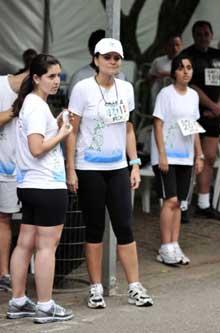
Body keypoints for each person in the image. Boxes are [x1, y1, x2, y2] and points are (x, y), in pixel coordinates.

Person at [66, 38, 153, 308]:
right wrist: (70, 168)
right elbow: (73, 129)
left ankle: (135, 286)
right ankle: (95, 288)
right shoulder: (83, 88)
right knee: (94, 228)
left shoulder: (126, 88)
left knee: (124, 226)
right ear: (96, 59)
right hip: (89, 168)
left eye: (117, 57)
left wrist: (135, 163)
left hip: (118, 168)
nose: (113, 61)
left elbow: (127, 128)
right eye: (107, 57)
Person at [7, 54, 73, 323]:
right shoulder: (35, 106)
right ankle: (45, 305)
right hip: (46, 185)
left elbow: (37, 141)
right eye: (50, 76)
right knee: (47, 247)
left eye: (58, 75)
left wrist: (55, 126)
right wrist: (63, 133)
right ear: (36, 78)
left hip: (30, 184)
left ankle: (18, 300)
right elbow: (36, 148)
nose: (56, 81)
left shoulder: (32, 104)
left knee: (25, 244)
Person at [151, 55, 204, 265]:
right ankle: (164, 246)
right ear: (174, 72)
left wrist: (198, 155)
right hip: (167, 156)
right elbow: (158, 124)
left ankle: (174, 244)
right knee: (170, 200)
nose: (186, 71)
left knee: (180, 203)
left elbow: (194, 128)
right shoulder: (166, 94)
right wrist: (162, 154)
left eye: (189, 67)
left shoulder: (193, 96)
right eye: (181, 68)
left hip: (186, 156)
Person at [179, 20, 220, 220]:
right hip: (193, 113)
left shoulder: (218, 56)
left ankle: (203, 203)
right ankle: (182, 205)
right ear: (194, 35)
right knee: (189, 158)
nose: (203, 36)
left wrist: (219, 105)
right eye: (199, 33)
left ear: (211, 34)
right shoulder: (187, 56)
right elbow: (190, 85)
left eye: (206, 33)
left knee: (208, 158)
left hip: (213, 115)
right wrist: (212, 105)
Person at [0, 57, 34, 291]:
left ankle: (8, 273)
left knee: (9, 219)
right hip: (3, 164)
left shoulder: (35, 97)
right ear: (33, 74)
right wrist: (14, 111)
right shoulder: (1, 85)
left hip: (18, 167)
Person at [67, 29, 125, 99]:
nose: (112, 61)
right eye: (106, 57)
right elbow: (72, 107)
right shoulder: (79, 77)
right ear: (91, 50)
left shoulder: (122, 78)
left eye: (116, 58)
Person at [148, 35, 183, 106]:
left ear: (181, 46)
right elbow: (150, 78)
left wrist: (168, 74)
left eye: (177, 45)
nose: (174, 48)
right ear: (166, 46)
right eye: (171, 45)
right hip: (160, 94)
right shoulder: (158, 61)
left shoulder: (185, 62)